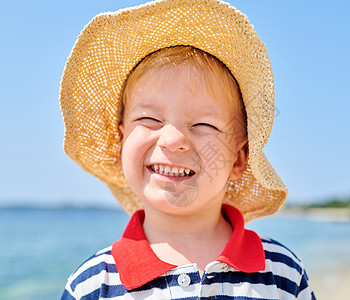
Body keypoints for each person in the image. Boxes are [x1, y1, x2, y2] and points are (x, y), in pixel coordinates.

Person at [59, 0, 316, 299]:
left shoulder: (282, 272)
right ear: (121, 143)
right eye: (149, 119)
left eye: (204, 124)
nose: (172, 139)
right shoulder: (92, 284)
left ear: (239, 158)